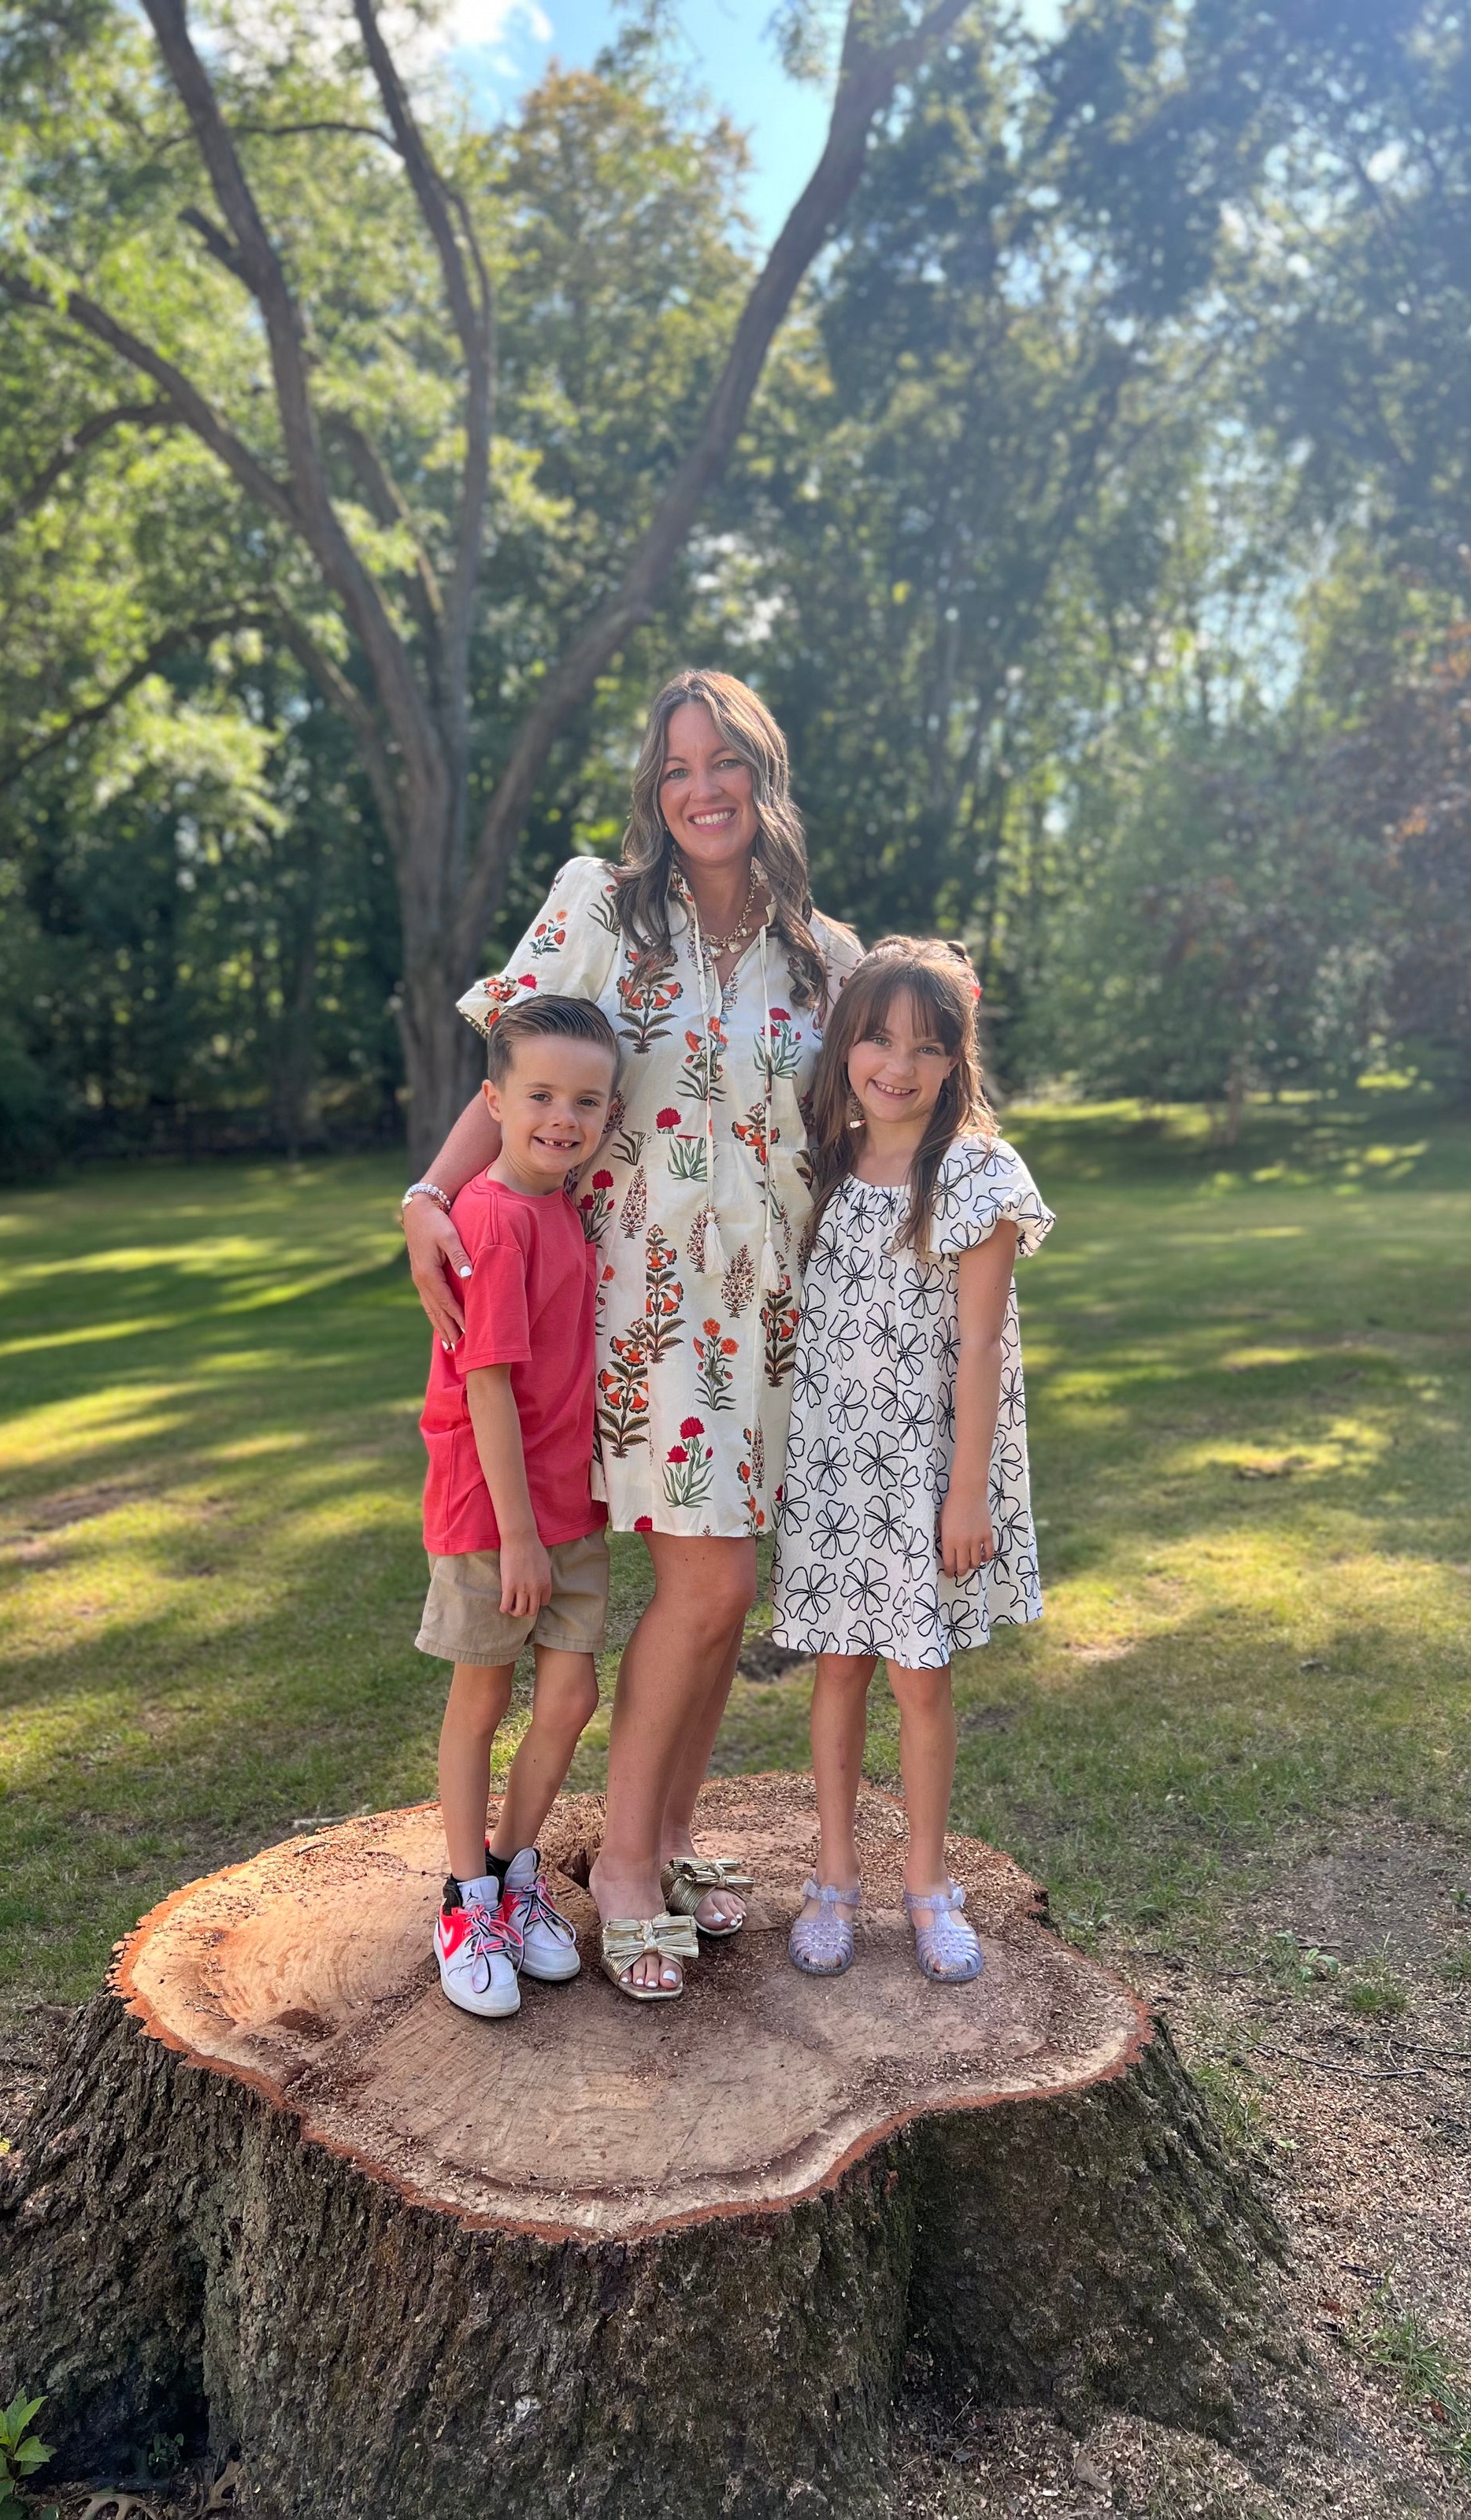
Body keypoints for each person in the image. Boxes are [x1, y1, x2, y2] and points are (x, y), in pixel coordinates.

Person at [402, 669, 861, 1998]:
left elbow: (870, 1121)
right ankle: (615, 1868)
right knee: (707, 1587)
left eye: (724, 763)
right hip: (632, 1311)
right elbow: (516, 1072)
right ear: (654, 792)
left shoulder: (822, 957)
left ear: (764, 775)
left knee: (720, 1596)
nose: (701, 789)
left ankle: (663, 1833)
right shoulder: (602, 908)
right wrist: (431, 1192)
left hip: (772, 1320)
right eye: (676, 770)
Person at [770, 938, 1054, 1985]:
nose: (898, 1066)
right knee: (838, 1670)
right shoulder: (823, 1164)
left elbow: (981, 1346)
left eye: (927, 1047)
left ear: (955, 1061)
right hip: (835, 1470)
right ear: (847, 1042)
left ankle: (928, 1884)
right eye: (880, 1040)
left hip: (926, 1471)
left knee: (920, 1679)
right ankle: (834, 1877)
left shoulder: (976, 1174)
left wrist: (965, 1493)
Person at [417, 993, 620, 2019]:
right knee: (482, 1700)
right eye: (540, 1096)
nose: (563, 1118)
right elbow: (487, 1388)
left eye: (586, 1101)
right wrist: (519, 1538)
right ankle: (465, 1901)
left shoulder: (559, 1205)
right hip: (496, 1514)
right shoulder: (493, 1221)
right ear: (493, 1102)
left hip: (566, 1504)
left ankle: (513, 1868)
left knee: (572, 1698)